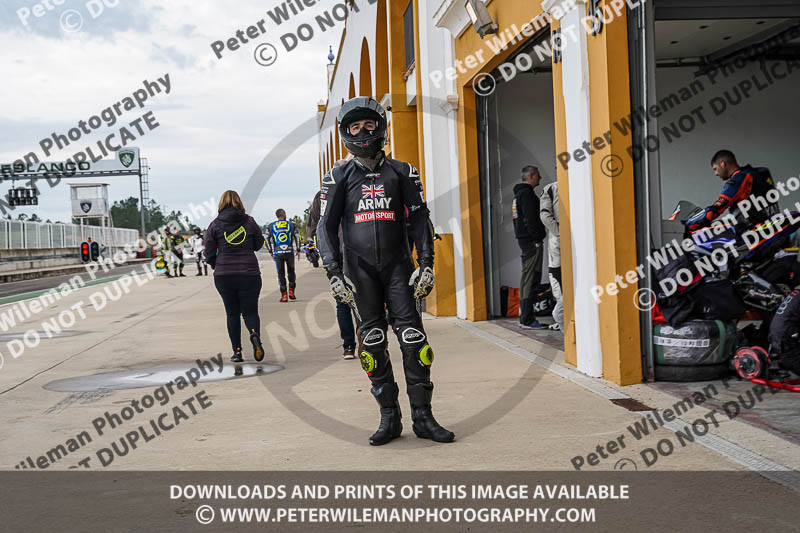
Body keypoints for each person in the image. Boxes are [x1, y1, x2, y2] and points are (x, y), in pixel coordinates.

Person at [317, 96, 454, 446]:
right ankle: (388, 418)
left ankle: (423, 418)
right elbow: (325, 228)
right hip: (359, 274)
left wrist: (426, 264)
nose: (362, 132)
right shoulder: (337, 177)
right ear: (345, 132)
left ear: (381, 127)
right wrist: (334, 273)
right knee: (373, 343)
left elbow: (420, 218)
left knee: (413, 340)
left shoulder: (403, 172)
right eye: (354, 127)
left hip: (399, 270)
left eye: (368, 125)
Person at [204, 190, 266, 363]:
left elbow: (208, 251)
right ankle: (254, 334)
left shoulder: (215, 224)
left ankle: (237, 352)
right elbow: (259, 243)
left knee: (232, 314)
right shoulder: (249, 221)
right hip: (249, 273)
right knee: (250, 311)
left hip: (224, 275)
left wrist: (216, 264)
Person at [308, 162, 358, 360]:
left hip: (334, 255)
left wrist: (318, 250)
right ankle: (365, 334)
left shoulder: (321, 196)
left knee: (342, 301)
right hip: (358, 252)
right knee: (365, 298)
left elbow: (314, 228)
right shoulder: (358, 189)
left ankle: (348, 346)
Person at [688, 150, 778, 232]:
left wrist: (691, 223)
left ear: (723, 164)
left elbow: (717, 207)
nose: (716, 174)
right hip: (773, 228)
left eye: (715, 169)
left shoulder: (738, 179)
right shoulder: (760, 173)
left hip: (753, 235)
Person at [513, 166, 547, 330]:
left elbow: (517, 219)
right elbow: (530, 218)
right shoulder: (526, 195)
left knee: (530, 278)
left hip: (525, 240)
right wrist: (537, 238)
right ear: (531, 176)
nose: (540, 178)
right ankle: (526, 319)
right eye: (538, 175)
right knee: (530, 278)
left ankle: (527, 317)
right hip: (531, 242)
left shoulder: (518, 195)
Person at [540, 181, 563, 332]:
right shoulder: (552, 188)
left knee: (556, 275)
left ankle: (562, 318)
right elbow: (545, 215)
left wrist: (558, 232)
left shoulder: (551, 187)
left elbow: (544, 215)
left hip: (559, 240)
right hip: (562, 238)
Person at [266, 209, 300, 302]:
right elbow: (297, 237)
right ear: (284, 214)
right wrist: (298, 249)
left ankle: (284, 295)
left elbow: (266, 238)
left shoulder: (271, 226)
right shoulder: (292, 225)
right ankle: (292, 292)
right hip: (289, 252)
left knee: (281, 273)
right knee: (291, 272)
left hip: (278, 253)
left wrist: (270, 251)